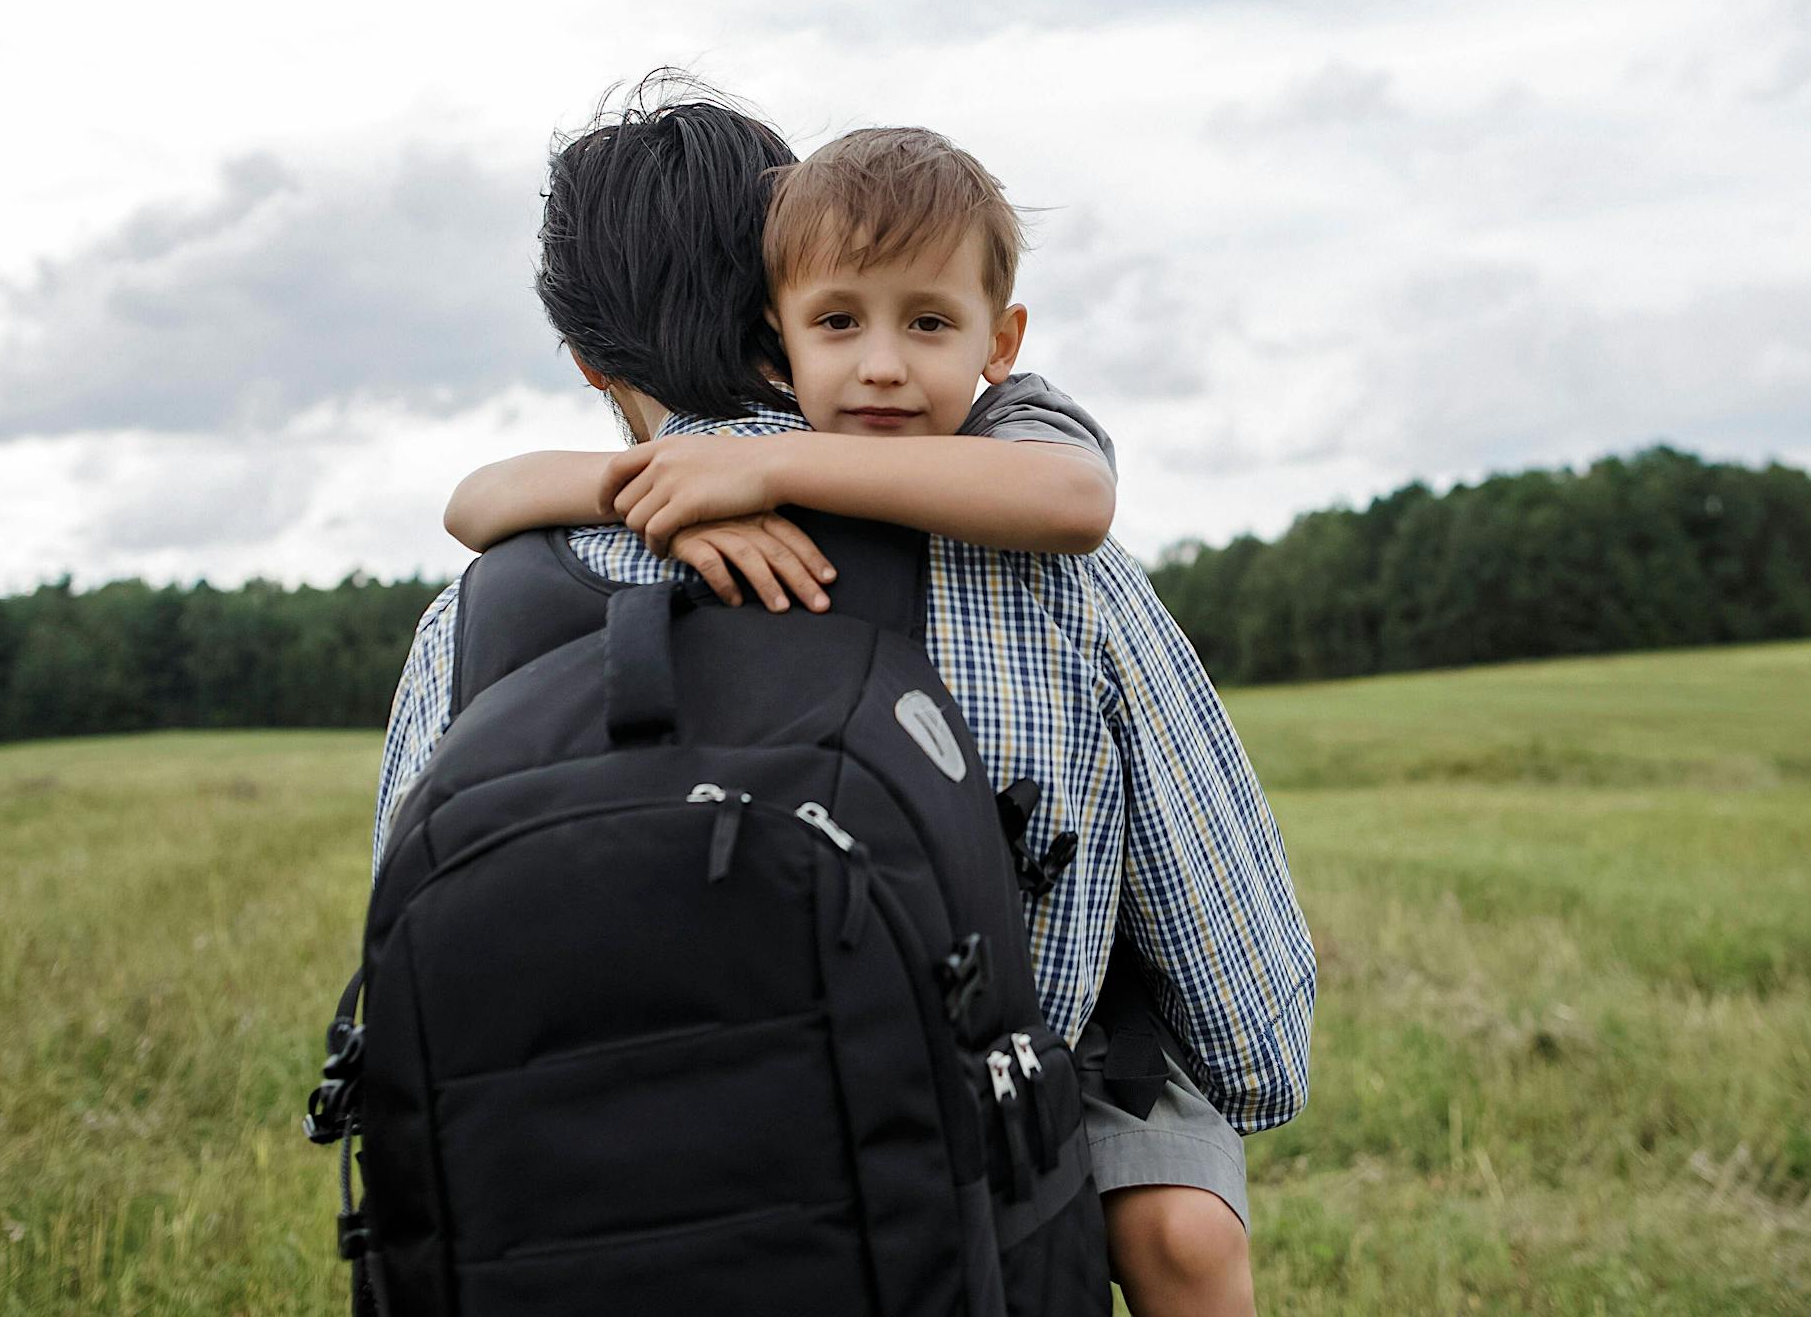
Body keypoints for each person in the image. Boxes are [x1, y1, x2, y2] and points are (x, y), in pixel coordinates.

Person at [375, 95, 1315, 1317]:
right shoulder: (1028, 557)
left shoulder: (475, 617)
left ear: (588, 365)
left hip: (554, 1251)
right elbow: (1245, 1017)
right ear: (775, 306)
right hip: (950, 1244)